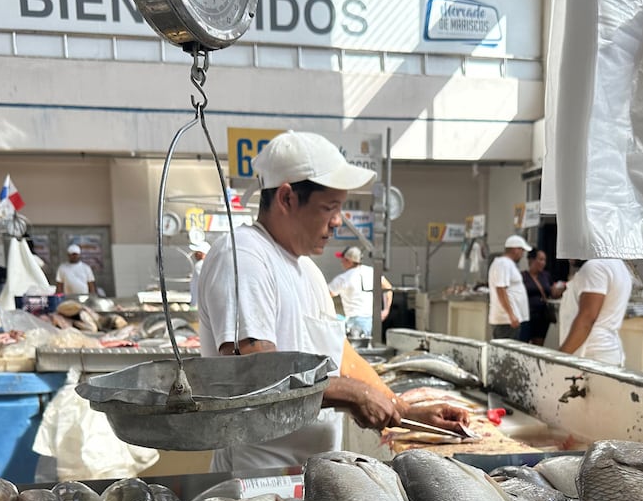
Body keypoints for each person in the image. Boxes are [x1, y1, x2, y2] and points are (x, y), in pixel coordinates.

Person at [194, 130, 468, 472]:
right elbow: (255, 371)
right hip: (257, 476)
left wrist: (404, 409)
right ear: (287, 198)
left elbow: (342, 358)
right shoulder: (244, 255)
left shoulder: (307, 269)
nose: (338, 221)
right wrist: (351, 394)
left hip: (312, 473)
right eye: (330, 207)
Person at [558, 258, 633, 365]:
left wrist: (559, 359)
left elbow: (587, 320)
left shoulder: (595, 267)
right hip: (606, 353)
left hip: (591, 356)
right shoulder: (619, 266)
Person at [327, 245, 393, 337]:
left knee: (356, 347)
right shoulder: (371, 272)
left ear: (349, 261)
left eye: (343, 259)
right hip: (370, 320)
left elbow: (325, 294)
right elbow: (388, 287)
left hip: (354, 322)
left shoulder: (343, 278)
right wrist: (386, 309)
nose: (341, 262)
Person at [488, 235, 532, 339]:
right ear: (515, 249)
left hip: (509, 320)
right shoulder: (503, 264)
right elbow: (501, 289)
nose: (522, 254)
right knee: (505, 353)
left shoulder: (507, 264)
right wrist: (511, 315)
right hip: (505, 320)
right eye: (522, 250)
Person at [522, 249, 566, 345]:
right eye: (540, 259)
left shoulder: (545, 276)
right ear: (531, 260)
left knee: (538, 345)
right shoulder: (523, 276)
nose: (543, 263)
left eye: (544, 260)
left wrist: (562, 287)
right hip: (528, 315)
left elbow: (552, 293)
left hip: (542, 316)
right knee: (524, 343)